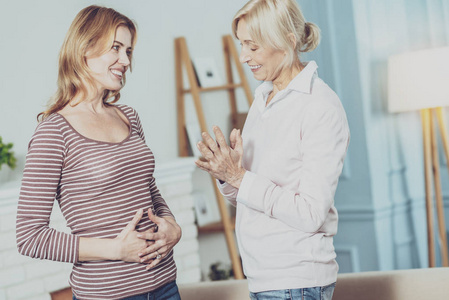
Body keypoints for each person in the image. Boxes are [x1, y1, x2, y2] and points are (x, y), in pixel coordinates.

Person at [16, 5, 182, 300]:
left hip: (165, 286)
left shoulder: (128, 116)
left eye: (128, 51)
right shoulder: (53, 132)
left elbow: (148, 189)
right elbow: (30, 237)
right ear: (84, 49)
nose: (125, 61)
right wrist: (115, 249)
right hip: (109, 295)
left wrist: (171, 226)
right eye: (115, 48)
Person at [195, 0, 350, 299]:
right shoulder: (264, 98)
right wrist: (229, 175)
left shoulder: (319, 106)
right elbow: (252, 197)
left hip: (295, 281)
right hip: (264, 278)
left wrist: (241, 177)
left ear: (287, 42)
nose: (243, 57)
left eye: (253, 47)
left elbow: (309, 213)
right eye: (241, 45)